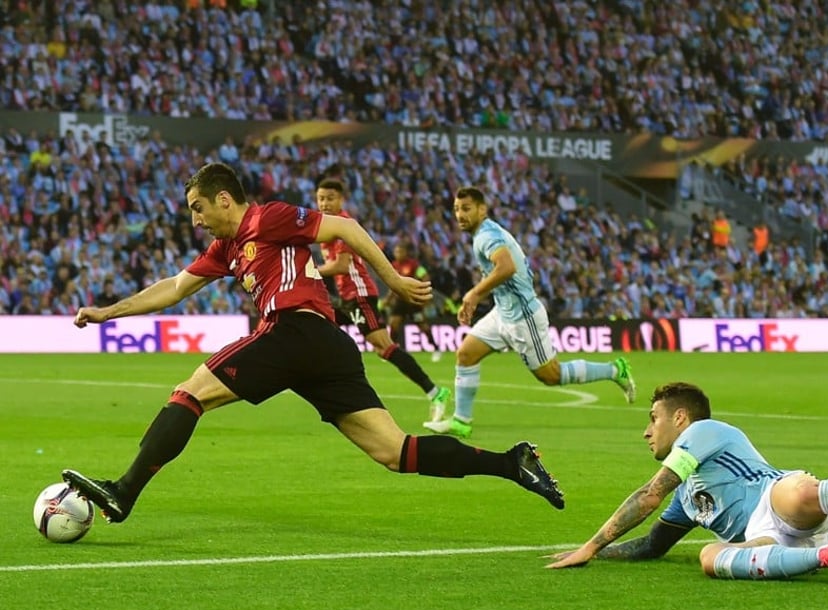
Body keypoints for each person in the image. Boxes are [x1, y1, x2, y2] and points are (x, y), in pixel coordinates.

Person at [60, 162, 565, 525]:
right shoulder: (228, 248)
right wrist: (109, 311)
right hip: (325, 346)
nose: (195, 219)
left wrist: (390, 279)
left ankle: (123, 492)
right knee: (395, 451)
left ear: (223, 199)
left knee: (189, 393)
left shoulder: (268, 217)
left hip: (293, 330)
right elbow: (172, 288)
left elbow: (343, 226)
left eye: (198, 208)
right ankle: (510, 462)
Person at [546, 382, 828, 579]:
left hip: (777, 501)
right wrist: (602, 557)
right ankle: (826, 557)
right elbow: (653, 545)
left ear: (679, 418)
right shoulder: (687, 496)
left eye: (654, 419)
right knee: (707, 557)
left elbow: (648, 494)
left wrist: (592, 545)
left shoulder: (704, 432)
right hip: (765, 542)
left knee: (800, 493)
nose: (647, 430)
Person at [423, 186, 636, 439]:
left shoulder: (486, 235)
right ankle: (461, 420)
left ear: (482, 209)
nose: (460, 215)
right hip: (502, 313)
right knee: (466, 354)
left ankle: (614, 370)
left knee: (551, 375)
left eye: (466, 209)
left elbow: (506, 267)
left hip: (523, 317)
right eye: (457, 209)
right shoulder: (483, 233)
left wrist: (474, 294)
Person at [314, 179, 450, 422]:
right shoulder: (325, 226)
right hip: (346, 298)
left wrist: (311, 270)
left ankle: (435, 392)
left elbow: (342, 265)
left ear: (341, 200)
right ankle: (330, 388)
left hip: (359, 295)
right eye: (321, 198)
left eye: (330, 198)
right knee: (317, 325)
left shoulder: (343, 225)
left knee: (384, 347)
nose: (325, 203)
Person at [381, 241, 445, 363]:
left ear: (405, 253)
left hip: (412, 300)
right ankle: (391, 351)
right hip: (400, 301)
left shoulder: (413, 265)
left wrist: (422, 292)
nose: (397, 253)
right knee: (393, 323)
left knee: (422, 325)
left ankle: (436, 348)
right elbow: (393, 286)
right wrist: (388, 300)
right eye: (396, 251)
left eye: (400, 251)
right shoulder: (393, 266)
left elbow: (425, 276)